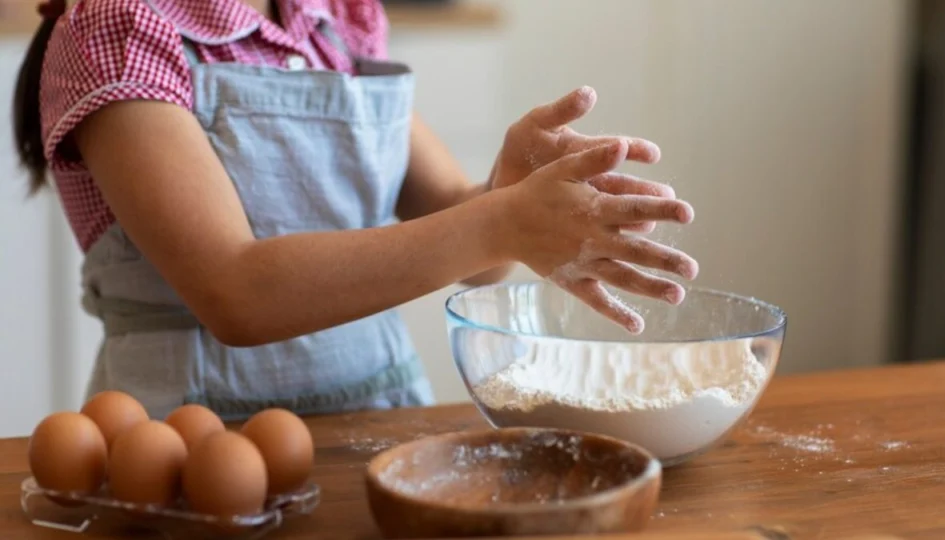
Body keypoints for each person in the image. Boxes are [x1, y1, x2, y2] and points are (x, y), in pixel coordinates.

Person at [13, 0, 699, 421]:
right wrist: (502, 219)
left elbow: (476, 261)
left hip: (375, 416)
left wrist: (507, 192)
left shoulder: (334, 21)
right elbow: (237, 294)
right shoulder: (117, 28)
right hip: (185, 448)